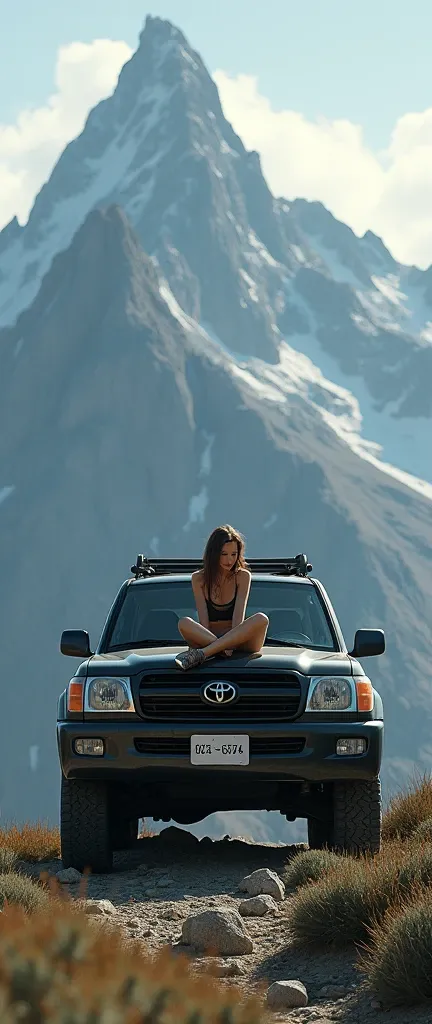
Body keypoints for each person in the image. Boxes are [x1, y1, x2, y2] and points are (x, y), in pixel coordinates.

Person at [174, 525, 269, 670]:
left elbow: (238, 622)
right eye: (224, 554)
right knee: (184, 622)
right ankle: (216, 649)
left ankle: (203, 654)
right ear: (214, 553)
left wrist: (229, 643)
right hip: (208, 637)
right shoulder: (198, 578)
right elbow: (204, 624)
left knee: (262, 619)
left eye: (233, 554)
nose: (229, 560)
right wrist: (222, 646)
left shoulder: (242, 576)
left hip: (240, 639)